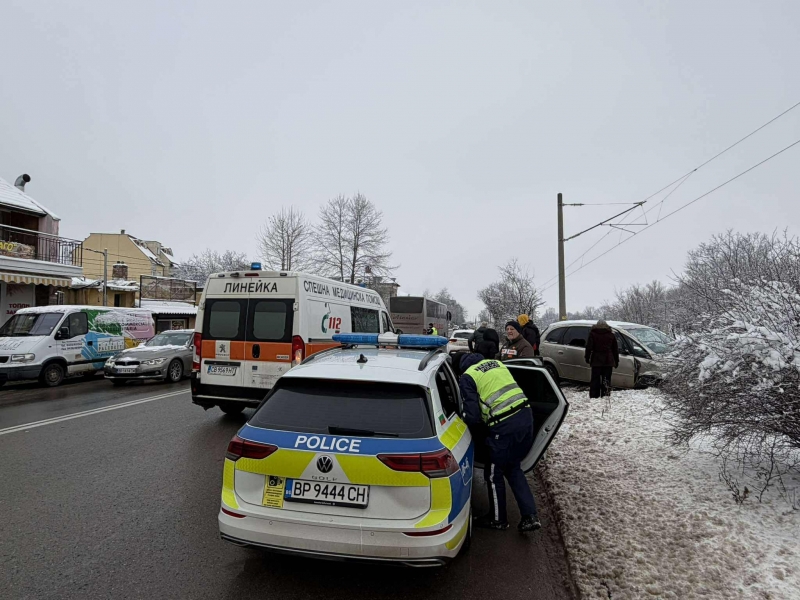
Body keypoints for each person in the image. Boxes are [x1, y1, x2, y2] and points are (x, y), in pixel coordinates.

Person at [459, 344, 541, 532]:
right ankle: (530, 516)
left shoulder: (468, 376)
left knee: (494, 473)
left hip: (504, 426)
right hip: (526, 417)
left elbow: (472, 416)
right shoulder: (497, 364)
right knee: (513, 468)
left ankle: (498, 520)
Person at [584, 319, 619, 398]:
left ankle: (594, 396)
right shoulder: (611, 335)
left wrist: (587, 357)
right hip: (608, 360)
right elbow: (615, 350)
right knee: (606, 379)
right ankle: (605, 395)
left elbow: (589, 347)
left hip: (596, 360)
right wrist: (616, 361)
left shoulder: (592, 334)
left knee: (595, 379)